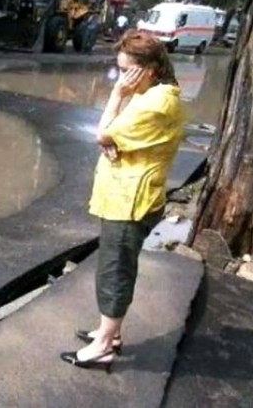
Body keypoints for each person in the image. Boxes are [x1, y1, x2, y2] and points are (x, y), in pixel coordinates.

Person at [60, 30, 184, 371]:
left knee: (115, 270)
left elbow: (104, 133)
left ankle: (103, 346)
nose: (122, 77)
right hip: (126, 195)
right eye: (119, 70)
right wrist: (111, 136)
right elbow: (110, 137)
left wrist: (116, 97)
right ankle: (109, 332)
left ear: (149, 69)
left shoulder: (157, 103)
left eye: (126, 70)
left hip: (131, 202)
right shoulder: (152, 95)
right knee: (114, 264)